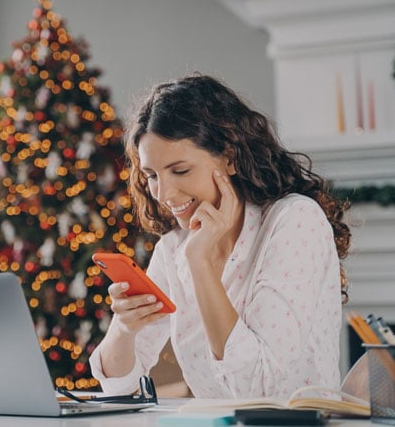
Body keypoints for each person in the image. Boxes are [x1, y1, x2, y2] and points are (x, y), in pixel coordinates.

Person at [89, 74, 351, 399]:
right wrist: (124, 327)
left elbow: (260, 390)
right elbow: (117, 387)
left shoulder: (294, 221)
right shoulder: (173, 247)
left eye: (180, 171)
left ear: (228, 157)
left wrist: (201, 266)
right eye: (151, 175)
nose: (164, 193)